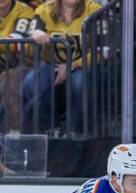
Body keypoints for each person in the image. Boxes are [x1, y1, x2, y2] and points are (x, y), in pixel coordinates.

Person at [22, 0, 101, 133]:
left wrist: (72, 65)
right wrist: (34, 37)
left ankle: (75, 131)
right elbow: (27, 45)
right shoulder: (44, 10)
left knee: (80, 83)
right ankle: (52, 129)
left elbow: (104, 50)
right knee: (32, 83)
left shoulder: (95, 10)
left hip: (85, 65)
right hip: (51, 65)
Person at [0, 0, 34, 132]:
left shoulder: (25, 11)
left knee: (9, 82)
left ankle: (15, 136)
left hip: (21, 64)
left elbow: (14, 42)